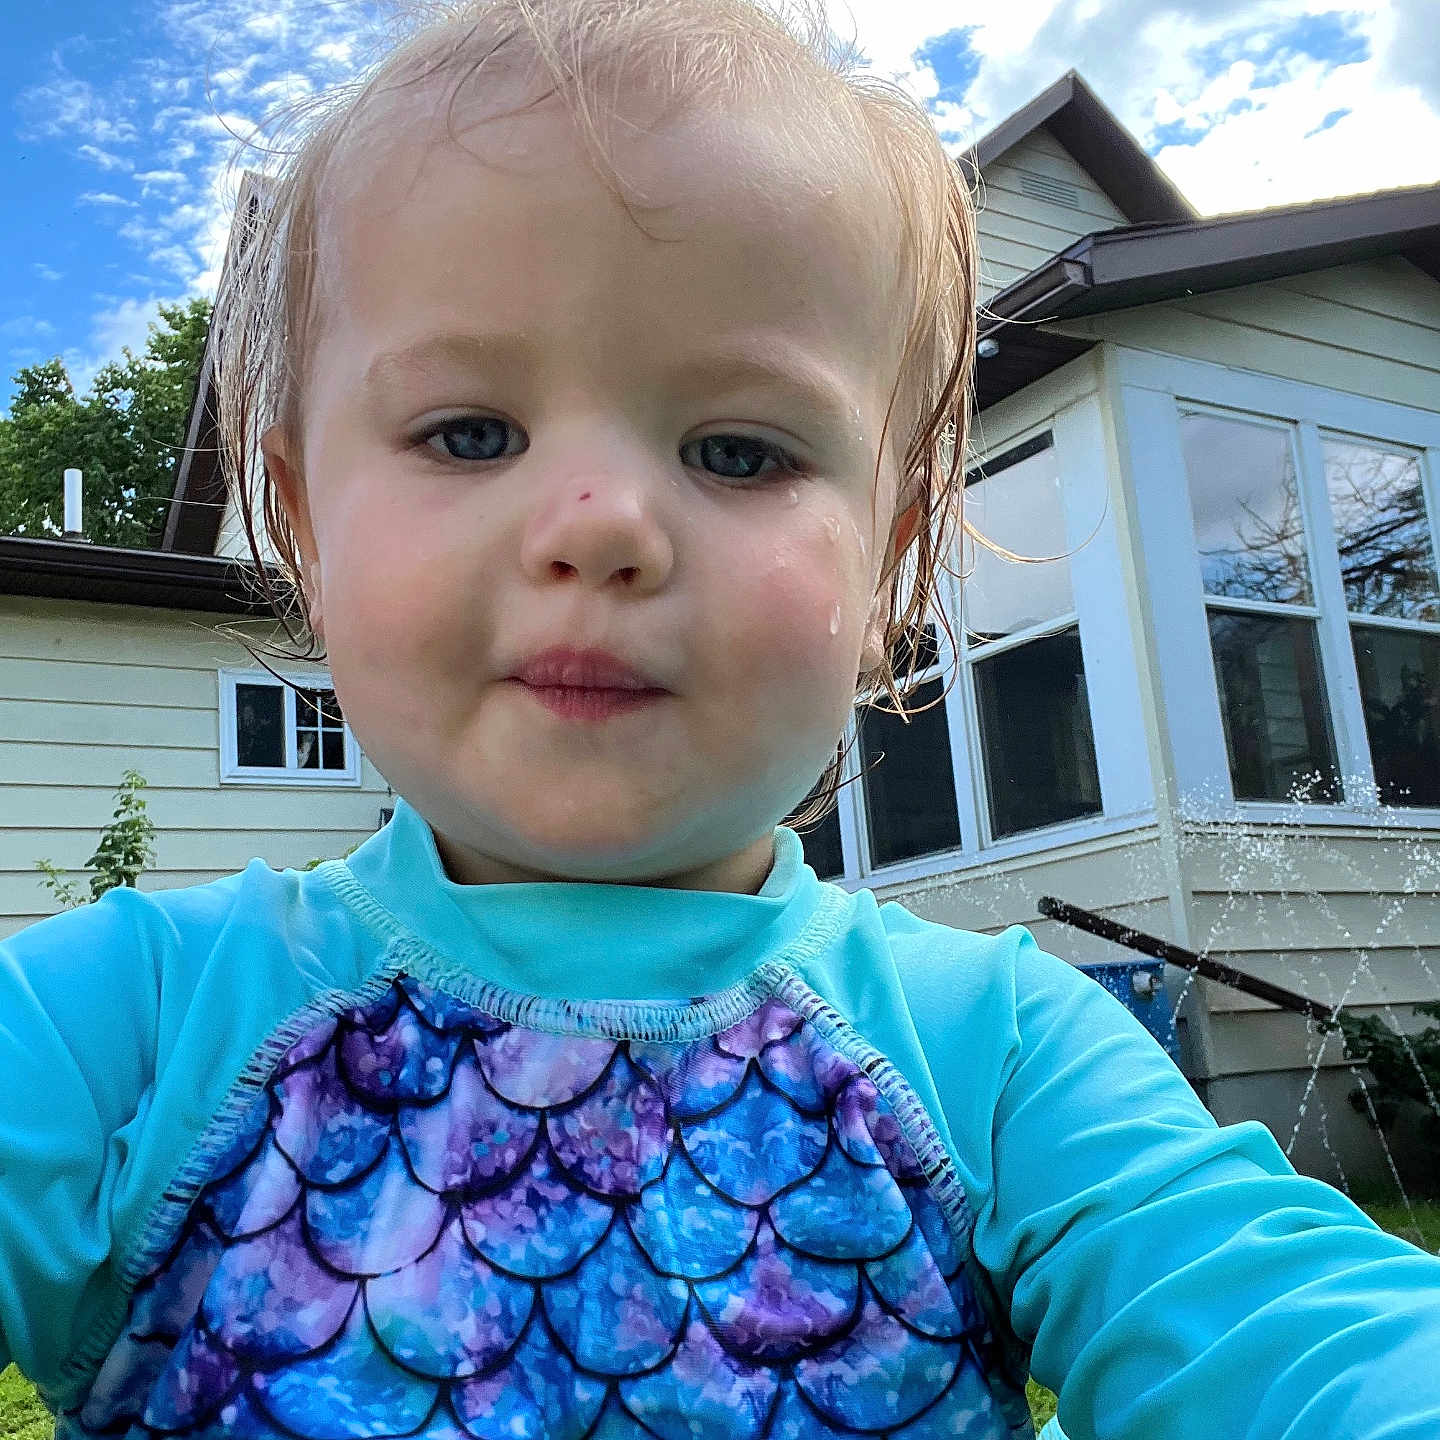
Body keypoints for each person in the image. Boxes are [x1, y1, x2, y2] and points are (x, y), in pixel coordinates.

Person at [4, 2, 1440, 1437]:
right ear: (306, 521)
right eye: (471, 432)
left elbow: (1306, 1336)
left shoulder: (998, 1058)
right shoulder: (116, 1033)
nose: (603, 528)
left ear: (890, 562)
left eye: (738, 450)